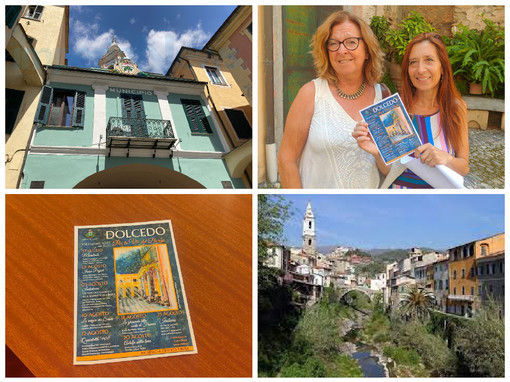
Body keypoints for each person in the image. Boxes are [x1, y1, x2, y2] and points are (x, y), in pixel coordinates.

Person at [277, 11, 388, 188]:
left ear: (367, 50)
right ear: (326, 51)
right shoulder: (311, 93)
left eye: (351, 42)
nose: (342, 50)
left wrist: (377, 153)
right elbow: (286, 159)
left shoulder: (383, 96)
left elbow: (390, 168)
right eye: (333, 44)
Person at [353, 33, 469, 188]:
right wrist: (376, 152)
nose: (420, 70)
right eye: (413, 62)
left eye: (429, 60)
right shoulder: (396, 111)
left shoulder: (456, 108)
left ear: (442, 66)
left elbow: (464, 168)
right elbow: (389, 171)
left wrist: (446, 159)